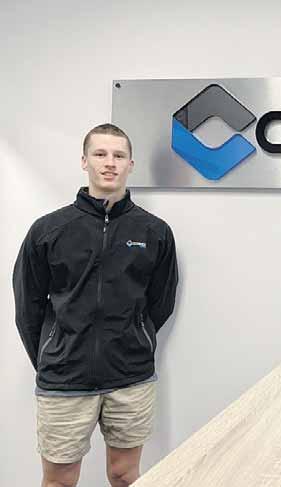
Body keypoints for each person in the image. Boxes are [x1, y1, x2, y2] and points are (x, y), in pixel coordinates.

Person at [13, 123, 179, 487]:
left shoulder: (154, 232)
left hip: (130, 378)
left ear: (131, 164)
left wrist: (135, 338)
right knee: (59, 481)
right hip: (65, 378)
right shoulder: (48, 230)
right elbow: (28, 307)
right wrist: (54, 353)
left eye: (119, 155)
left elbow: (160, 302)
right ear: (84, 161)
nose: (110, 163)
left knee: (124, 475)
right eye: (100, 154)